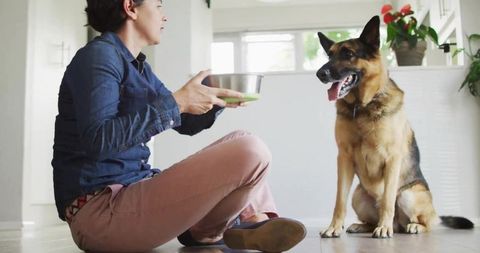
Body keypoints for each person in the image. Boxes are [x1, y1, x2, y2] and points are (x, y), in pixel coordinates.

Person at [51, 0, 306, 252]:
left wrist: (216, 99)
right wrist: (178, 101)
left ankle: (244, 224)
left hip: (133, 192)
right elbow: (100, 139)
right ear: (130, 7)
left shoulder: (139, 67)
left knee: (243, 138)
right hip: (100, 212)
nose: (164, 16)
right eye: (158, 6)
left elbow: (185, 123)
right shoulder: (98, 57)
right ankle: (233, 225)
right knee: (251, 150)